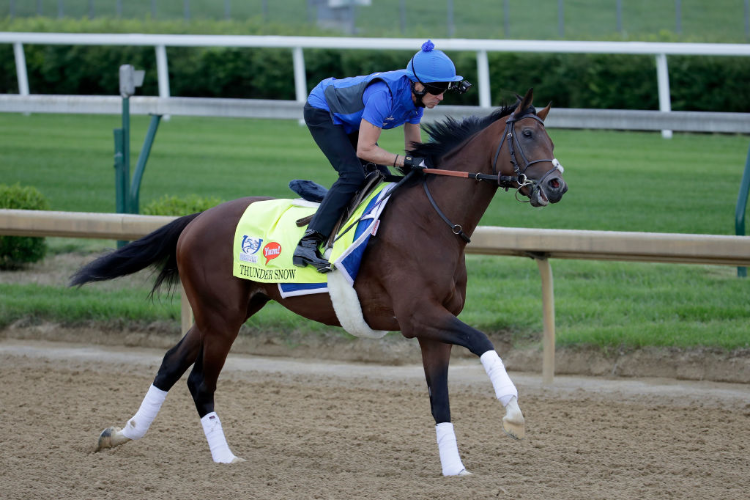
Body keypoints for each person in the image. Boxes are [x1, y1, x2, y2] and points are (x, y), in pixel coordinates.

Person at [293, 40, 471, 272]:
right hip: (323, 111)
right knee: (352, 176)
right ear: (417, 85)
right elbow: (365, 150)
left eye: (445, 90)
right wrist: (406, 162)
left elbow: (413, 150)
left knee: (383, 181)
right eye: (437, 90)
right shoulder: (383, 95)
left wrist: (428, 169)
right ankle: (308, 243)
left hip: (350, 119)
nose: (441, 97)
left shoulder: (416, 103)